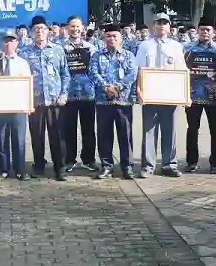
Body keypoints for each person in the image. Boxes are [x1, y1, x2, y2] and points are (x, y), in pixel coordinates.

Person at [20, 15, 69, 180]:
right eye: (36, 29)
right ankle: (39, 165)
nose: (39, 32)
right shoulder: (25, 53)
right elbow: (21, 77)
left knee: (57, 136)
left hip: (55, 101)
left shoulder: (58, 50)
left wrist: (64, 94)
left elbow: (65, 74)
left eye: (42, 28)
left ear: (48, 31)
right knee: (36, 136)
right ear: (31, 33)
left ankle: (59, 167)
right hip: (35, 102)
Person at [89, 23, 138, 180]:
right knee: (104, 136)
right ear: (104, 38)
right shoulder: (97, 55)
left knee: (126, 135)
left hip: (123, 102)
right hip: (103, 102)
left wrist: (118, 88)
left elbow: (132, 74)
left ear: (120, 38)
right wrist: (106, 88)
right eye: (108, 36)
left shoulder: (129, 55)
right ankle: (106, 166)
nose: (111, 39)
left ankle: (127, 166)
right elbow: (93, 73)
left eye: (114, 36)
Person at [0, 31, 32, 181]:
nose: (8, 44)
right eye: (6, 41)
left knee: (19, 140)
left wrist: (29, 104)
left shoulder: (23, 63)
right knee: (1, 139)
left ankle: (20, 170)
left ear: (17, 43)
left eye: (11, 40)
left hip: (19, 107)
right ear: (1, 43)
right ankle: (3, 169)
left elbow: (28, 85)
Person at [181, 16, 216, 175]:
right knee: (192, 129)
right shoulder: (188, 49)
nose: (205, 32)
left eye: (208, 30)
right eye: (202, 29)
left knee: (215, 129)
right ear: (197, 31)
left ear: (213, 33)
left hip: (213, 96)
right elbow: (182, 71)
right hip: (193, 95)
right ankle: (191, 161)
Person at [61, 15, 97, 172]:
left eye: (78, 26)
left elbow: (96, 69)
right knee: (68, 129)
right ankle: (69, 160)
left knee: (88, 129)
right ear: (67, 28)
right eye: (72, 26)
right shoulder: (60, 48)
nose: (75, 29)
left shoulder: (91, 48)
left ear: (83, 28)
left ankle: (89, 159)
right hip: (68, 94)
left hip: (88, 94)